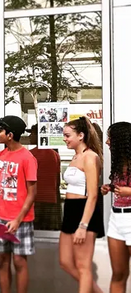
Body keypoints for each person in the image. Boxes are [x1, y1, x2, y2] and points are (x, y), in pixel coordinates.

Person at [0, 115, 37, 293]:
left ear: (10, 135)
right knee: (2, 260)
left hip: (21, 220)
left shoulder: (27, 158)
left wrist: (17, 219)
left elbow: (32, 193)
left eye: (0, 130)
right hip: (0, 218)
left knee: (19, 261)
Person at [59, 116, 104, 293]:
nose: (64, 139)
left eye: (67, 135)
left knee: (83, 265)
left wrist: (83, 226)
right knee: (65, 261)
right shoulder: (75, 156)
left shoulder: (90, 157)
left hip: (85, 210)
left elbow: (93, 195)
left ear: (81, 136)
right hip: (70, 209)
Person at [101, 121, 131, 293]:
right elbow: (123, 188)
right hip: (116, 219)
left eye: (110, 138)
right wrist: (110, 188)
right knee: (118, 274)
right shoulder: (119, 164)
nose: (107, 142)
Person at [29, 124, 62, 231]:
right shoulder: (55, 154)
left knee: (35, 232)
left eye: (32, 133)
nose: (29, 136)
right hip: (51, 199)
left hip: (35, 199)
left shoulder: (31, 155)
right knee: (49, 232)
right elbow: (57, 180)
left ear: (38, 135)